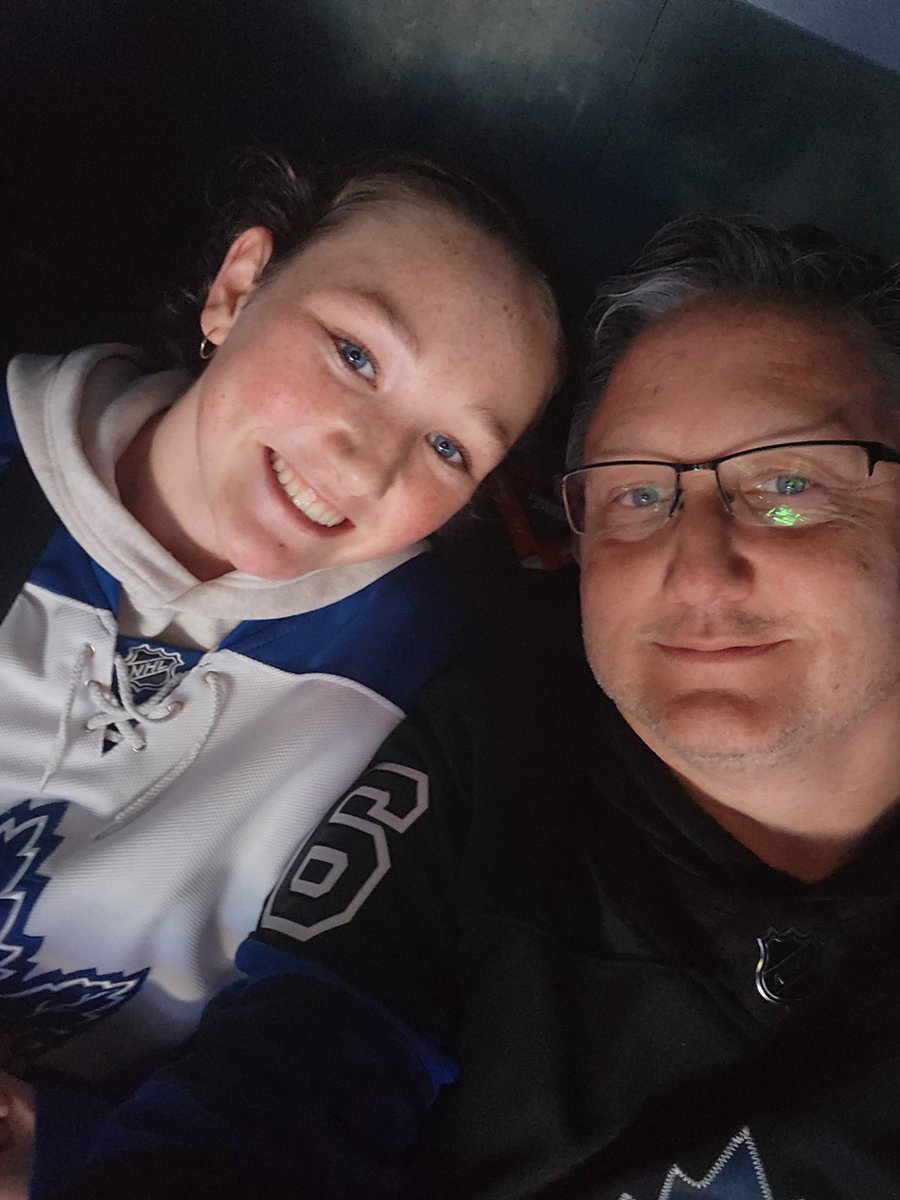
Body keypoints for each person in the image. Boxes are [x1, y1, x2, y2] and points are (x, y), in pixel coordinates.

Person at [28, 213, 900, 1200]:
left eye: (788, 486)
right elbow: (271, 1094)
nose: (695, 571)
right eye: (635, 498)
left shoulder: (419, 654)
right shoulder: (492, 768)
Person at [0, 150, 563, 1193]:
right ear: (239, 286)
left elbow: (348, 1033)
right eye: (354, 353)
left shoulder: (435, 690)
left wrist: (59, 1150)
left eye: (448, 446)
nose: (364, 463)